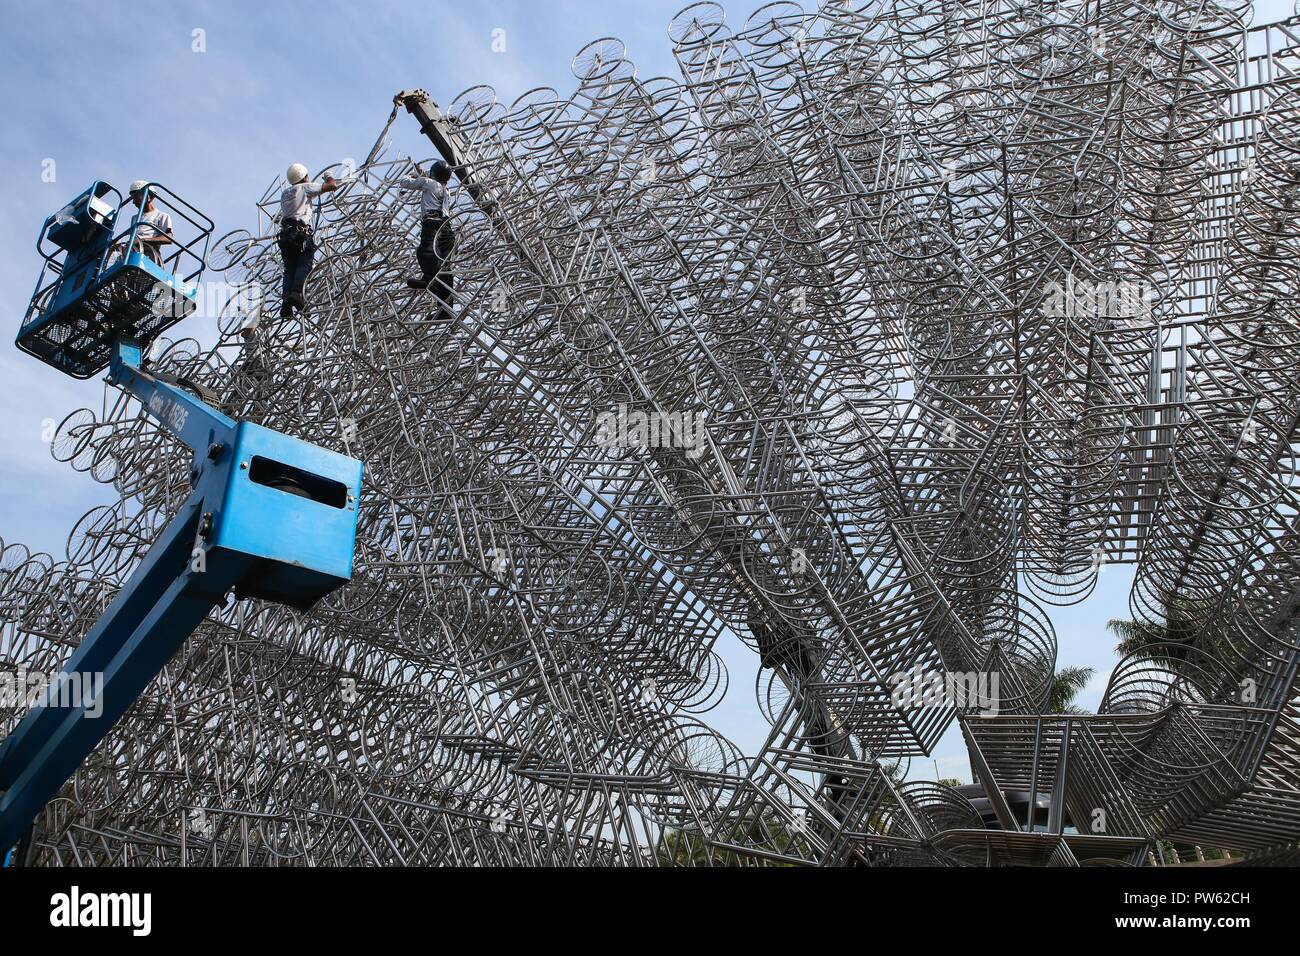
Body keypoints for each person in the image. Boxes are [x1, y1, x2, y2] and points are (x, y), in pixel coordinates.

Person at [278, 163, 338, 318]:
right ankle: (297, 294)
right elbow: (332, 186)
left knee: (289, 269)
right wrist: (328, 175)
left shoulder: (285, 193)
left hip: (285, 235)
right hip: (300, 233)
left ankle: (286, 300)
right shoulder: (305, 187)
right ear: (304, 176)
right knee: (304, 264)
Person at [397, 160, 455, 313]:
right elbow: (430, 178)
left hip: (432, 223)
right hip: (447, 228)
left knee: (425, 252)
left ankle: (428, 279)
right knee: (445, 268)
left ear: (434, 173)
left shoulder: (428, 183)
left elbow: (404, 182)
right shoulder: (445, 189)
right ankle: (446, 310)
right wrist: (422, 172)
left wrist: (410, 174)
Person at [127, 181, 172, 265]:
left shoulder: (161, 216)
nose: (133, 202)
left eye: (136, 197)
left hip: (149, 253)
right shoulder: (134, 218)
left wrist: (143, 241)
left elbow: (168, 238)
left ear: (148, 196)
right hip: (131, 253)